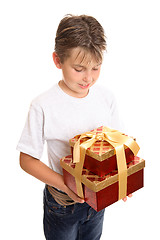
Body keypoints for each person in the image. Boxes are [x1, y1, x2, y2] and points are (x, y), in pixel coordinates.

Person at [17, 14, 131, 240]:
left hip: (97, 202)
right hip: (62, 203)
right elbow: (26, 159)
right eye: (79, 69)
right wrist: (65, 185)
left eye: (96, 68)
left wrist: (121, 179)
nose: (88, 77)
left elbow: (117, 145)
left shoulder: (106, 98)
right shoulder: (43, 105)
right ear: (58, 61)